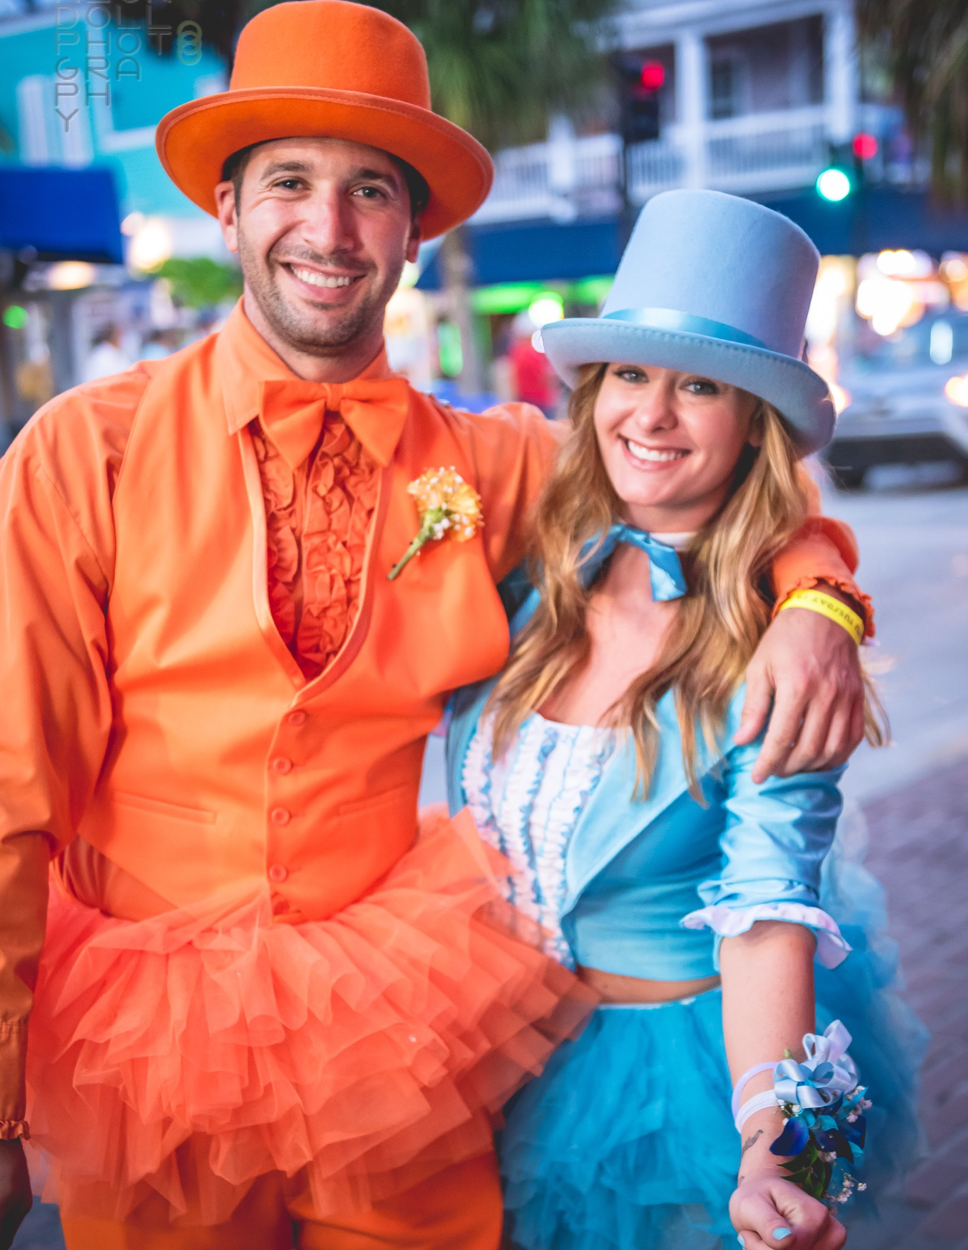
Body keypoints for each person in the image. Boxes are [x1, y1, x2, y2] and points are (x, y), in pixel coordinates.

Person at [0, 2, 875, 1246]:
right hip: (154, 1035)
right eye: (291, 182)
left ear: (415, 232)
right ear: (226, 209)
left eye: (371, 191)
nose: (331, 226)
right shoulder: (84, 450)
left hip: (418, 1027)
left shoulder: (495, 463)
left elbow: (772, 894)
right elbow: (9, 786)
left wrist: (817, 598)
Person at [446, 191, 925, 1250]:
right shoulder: (528, 575)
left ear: (751, 426)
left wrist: (778, 1149)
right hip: (490, 1060)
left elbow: (767, 913)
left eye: (698, 386)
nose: (649, 417)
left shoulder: (783, 657)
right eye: (628, 373)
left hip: (666, 1096)